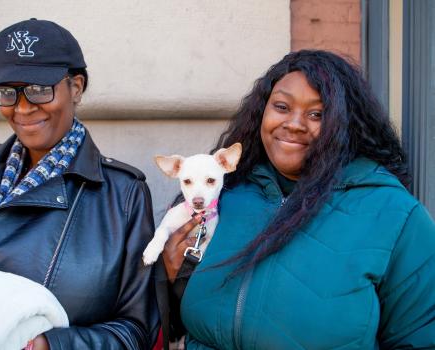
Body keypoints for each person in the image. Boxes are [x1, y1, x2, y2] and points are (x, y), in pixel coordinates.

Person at [158, 50, 435, 349]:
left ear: (346, 125)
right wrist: (173, 278)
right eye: (281, 106)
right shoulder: (223, 195)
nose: (294, 123)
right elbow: (174, 320)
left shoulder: (394, 215)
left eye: (317, 114)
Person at [0, 18, 158, 349]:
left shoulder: (122, 195)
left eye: (40, 89)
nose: (22, 108)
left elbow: (135, 331)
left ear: (77, 87)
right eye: (9, 92)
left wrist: (53, 344)